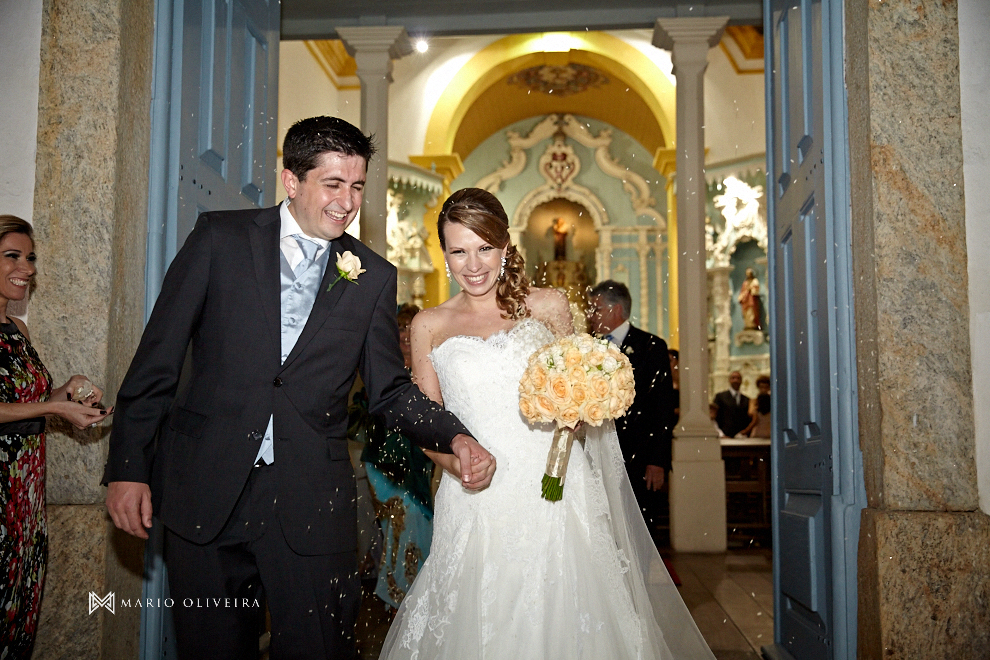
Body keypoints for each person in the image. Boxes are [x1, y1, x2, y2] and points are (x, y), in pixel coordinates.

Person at [102, 117, 495, 659]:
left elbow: (389, 391)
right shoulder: (220, 239)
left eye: (356, 186)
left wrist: (455, 437)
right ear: (292, 181)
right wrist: (127, 467)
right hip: (205, 494)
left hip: (310, 504)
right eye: (333, 184)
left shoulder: (373, 276)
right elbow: (156, 363)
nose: (347, 202)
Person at [380, 188, 714, 660]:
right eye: (458, 251)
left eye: (484, 249)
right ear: (444, 254)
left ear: (504, 246)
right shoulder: (430, 326)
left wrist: (580, 412)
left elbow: (581, 381)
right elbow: (427, 425)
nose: (473, 265)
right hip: (476, 496)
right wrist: (457, 466)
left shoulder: (549, 306)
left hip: (553, 486)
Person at [0, 215, 109, 656]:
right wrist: (52, 406)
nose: (26, 267)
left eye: (30, 258)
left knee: (18, 613)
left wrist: (67, 391)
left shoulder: (18, 331)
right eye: (12, 256)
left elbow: (27, 399)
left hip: (26, 503)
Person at [359, 303, 437, 610]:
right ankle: (398, 593)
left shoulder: (430, 366)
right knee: (401, 520)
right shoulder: (381, 366)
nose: (405, 335)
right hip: (384, 458)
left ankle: (419, 593)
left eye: (410, 327)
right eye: (401, 328)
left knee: (419, 520)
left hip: (420, 457)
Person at [588, 280, 676, 548]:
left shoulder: (652, 347)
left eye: (596, 308)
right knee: (602, 532)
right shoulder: (587, 348)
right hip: (598, 453)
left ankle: (640, 589)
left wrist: (658, 461)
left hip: (640, 458)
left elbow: (663, 407)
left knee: (639, 534)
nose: (590, 316)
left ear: (616, 310)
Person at [713, 370, 751, 438]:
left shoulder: (746, 399)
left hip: (742, 437)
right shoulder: (720, 397)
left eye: (738, 378)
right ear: (729, 380)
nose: (735, 380)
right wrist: (721, 434)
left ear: (741, 381)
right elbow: (715, 416)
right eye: (733, 378)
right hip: (725, 436)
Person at [741, 374, 771, 438]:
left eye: (766, 387)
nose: (763, 390)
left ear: (769, 388)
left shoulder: (774, 401)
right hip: (758, 433)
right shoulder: (754, 401)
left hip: (770, 433)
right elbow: (751, 413)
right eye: (761, 387)